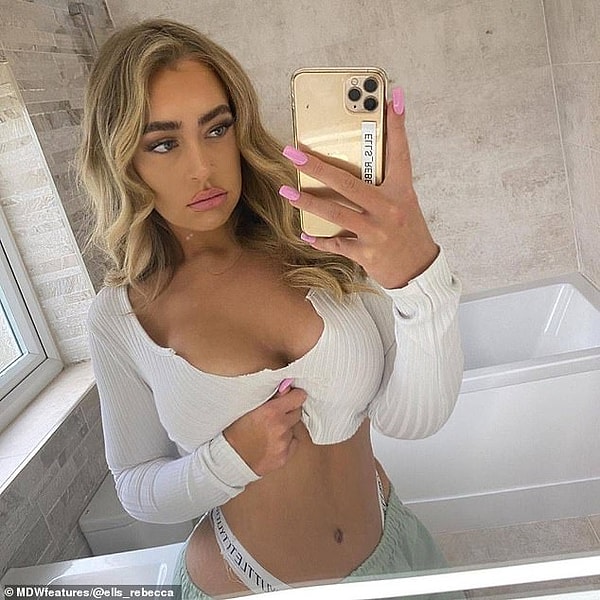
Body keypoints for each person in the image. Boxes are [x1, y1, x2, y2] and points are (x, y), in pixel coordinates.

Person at [80, 18, 464, 600]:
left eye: (217, 128)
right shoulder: (121, 315)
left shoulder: (320, 236)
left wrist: (418, 279)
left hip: (392, 547)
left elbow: (413, 420)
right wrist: (229, 461)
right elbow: (135, 486)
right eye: (163, 143)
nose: (202, 167)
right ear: (120, 159)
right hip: (245, 585)